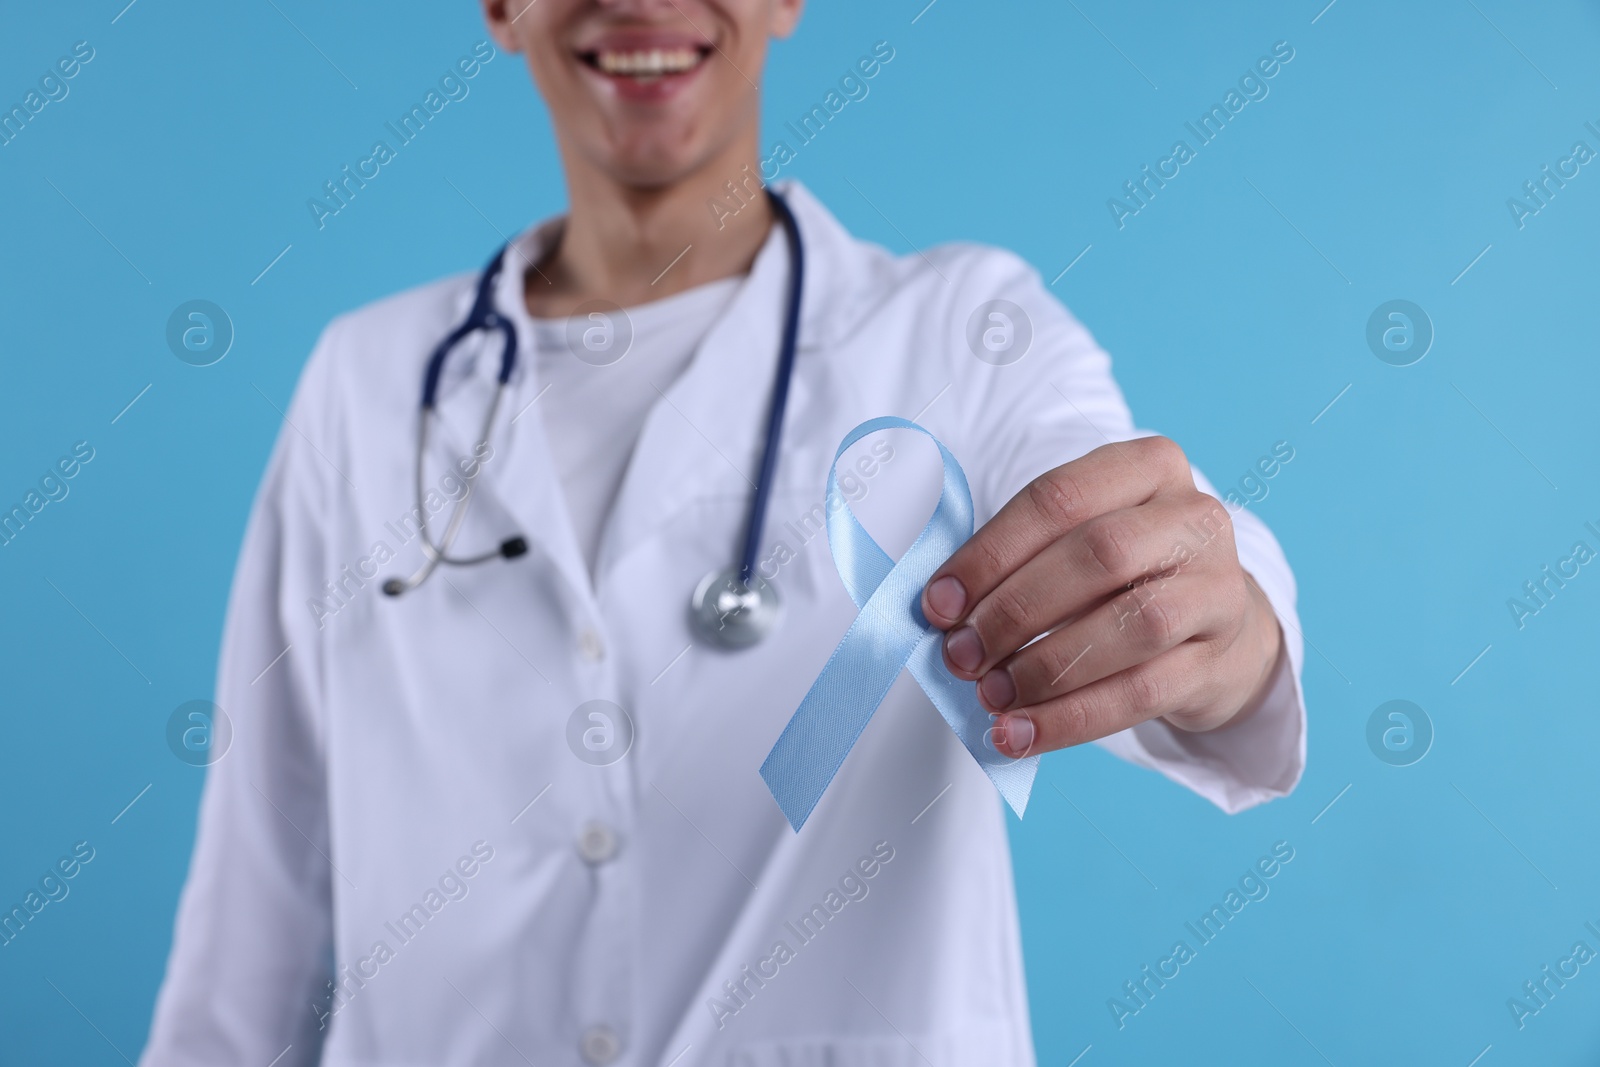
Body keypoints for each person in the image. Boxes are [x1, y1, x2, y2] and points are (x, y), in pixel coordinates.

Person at [141, 1, 1306, 1064]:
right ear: (500, 8)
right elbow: (259, 912)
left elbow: (1136, 533)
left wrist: (1220, 618)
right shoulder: (367, 379)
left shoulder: (960, 330)